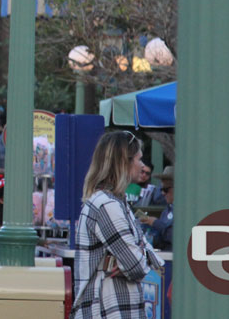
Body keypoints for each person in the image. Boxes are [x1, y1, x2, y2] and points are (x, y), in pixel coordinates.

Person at [71, 131, 162, 319]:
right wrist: (135, 257)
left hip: (117, 307)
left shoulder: (117, 202)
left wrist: (133, 256)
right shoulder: (107, 205)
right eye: (139, 159)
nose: (142, 166)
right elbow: (137, 265)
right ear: (124, 162)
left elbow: (148, 256)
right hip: (106, 309)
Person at [139, 166, 174, 251]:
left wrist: (155, 223)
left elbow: (178, 237)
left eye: (165, 190)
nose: (162, 193)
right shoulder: (166, 210)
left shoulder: (186, 210)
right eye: (161, 189)